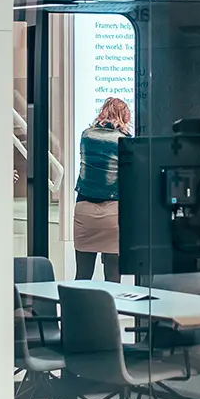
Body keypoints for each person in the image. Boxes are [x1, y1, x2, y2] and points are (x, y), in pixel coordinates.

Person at [74, 97, 131, 282]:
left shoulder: (86, 136)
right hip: (113, 212)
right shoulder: (125, 141)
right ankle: (110, 303)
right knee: (113, 277)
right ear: (123, 116)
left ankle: (77, 303)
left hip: (84, 210)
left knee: (82, 275)